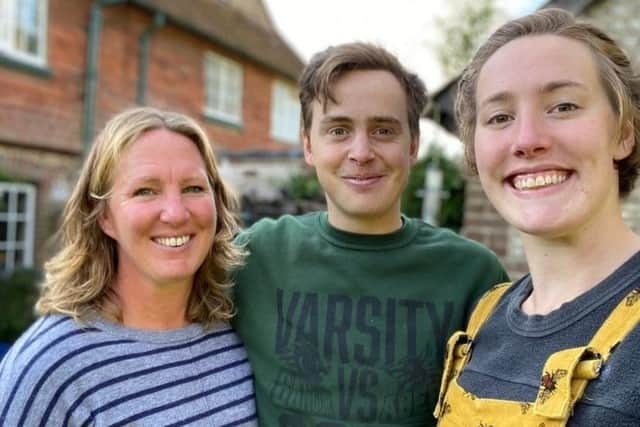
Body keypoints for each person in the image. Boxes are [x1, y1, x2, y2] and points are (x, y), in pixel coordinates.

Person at [231, 42, 508, 427]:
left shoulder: (473, 276)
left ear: (412, 145)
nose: (361, 152)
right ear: (309, 144)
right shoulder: (255, 257)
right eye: (339, 130)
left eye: (383, 130)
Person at [434, 8, 640, 426]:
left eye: (563, 106)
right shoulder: (483, 316)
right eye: (500, 117)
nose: (527, 140)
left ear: (624, 133)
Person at [0, 108, 257, 426]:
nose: (175, 214)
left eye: (193, 188)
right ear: (104, 216)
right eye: (145, 191)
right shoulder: (52, 365)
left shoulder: (237, 333)